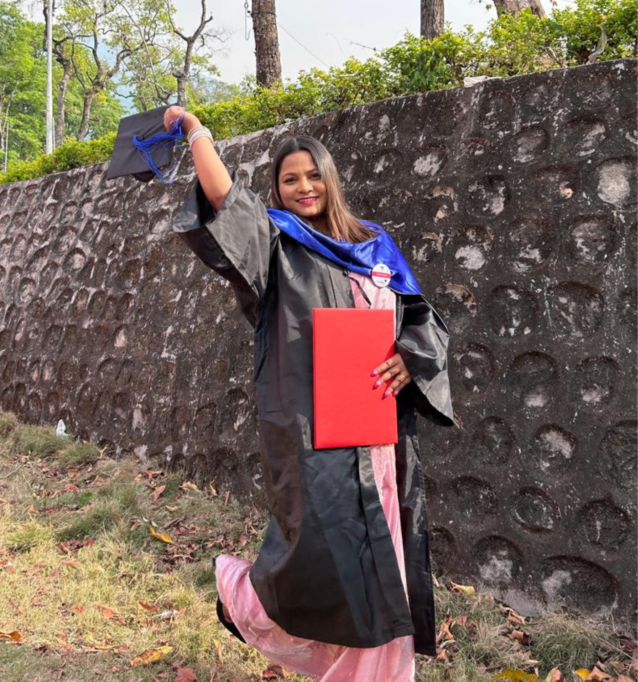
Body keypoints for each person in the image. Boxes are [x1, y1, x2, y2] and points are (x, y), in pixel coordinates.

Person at [166, 105, 454, 682]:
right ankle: (248, 598)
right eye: (289, 179)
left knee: (386, 563)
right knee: (330, 562)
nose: (303, 187)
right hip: (314, 431)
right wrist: (197, 133)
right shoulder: (277, 244)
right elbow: (224, 202)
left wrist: (410, 358)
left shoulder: (376, 246)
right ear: (278, 188)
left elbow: (421, 318)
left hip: (379, 433)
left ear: (331, 178)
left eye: (313, 175)